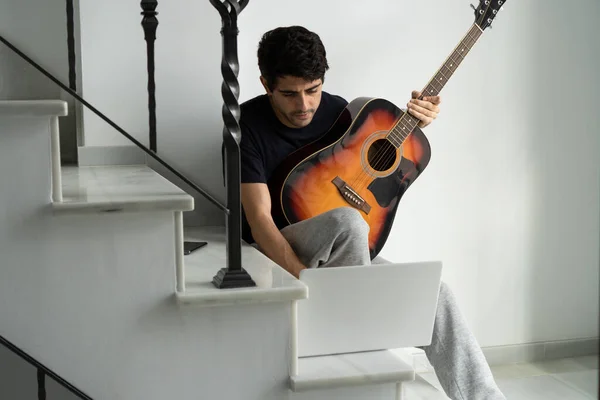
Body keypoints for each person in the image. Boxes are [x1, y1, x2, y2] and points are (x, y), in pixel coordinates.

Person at [238, 25, 506, 400]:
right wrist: (313, 290)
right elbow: (259, 221)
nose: (303, 105)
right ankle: (362, 363)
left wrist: (413, 124)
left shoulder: (340, 111)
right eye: (289, 94)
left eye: (312, 90)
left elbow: (381, 161)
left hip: (342, 258)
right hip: (282, 249)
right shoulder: (245, 123)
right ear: (267, 85)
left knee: (435, 294)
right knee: (349, 222)